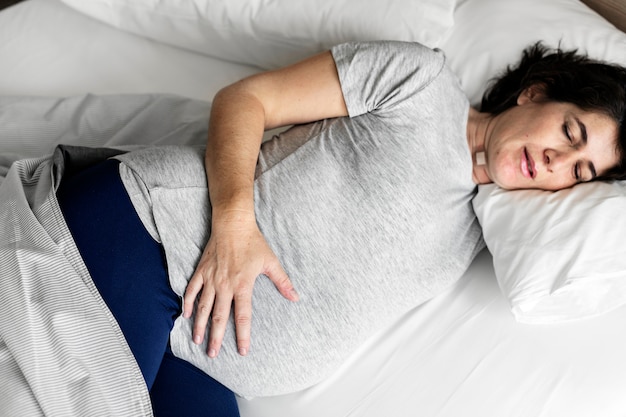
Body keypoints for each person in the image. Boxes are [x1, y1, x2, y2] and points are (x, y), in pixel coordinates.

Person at [2, 40, 626, 417]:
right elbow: (245, 100)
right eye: (569, 134)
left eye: (580, 172)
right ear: (535, 94)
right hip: (156, 239)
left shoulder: (481, 231)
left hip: (198, 353)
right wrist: (235, 229)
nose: (557, 163)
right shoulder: (423, 84)